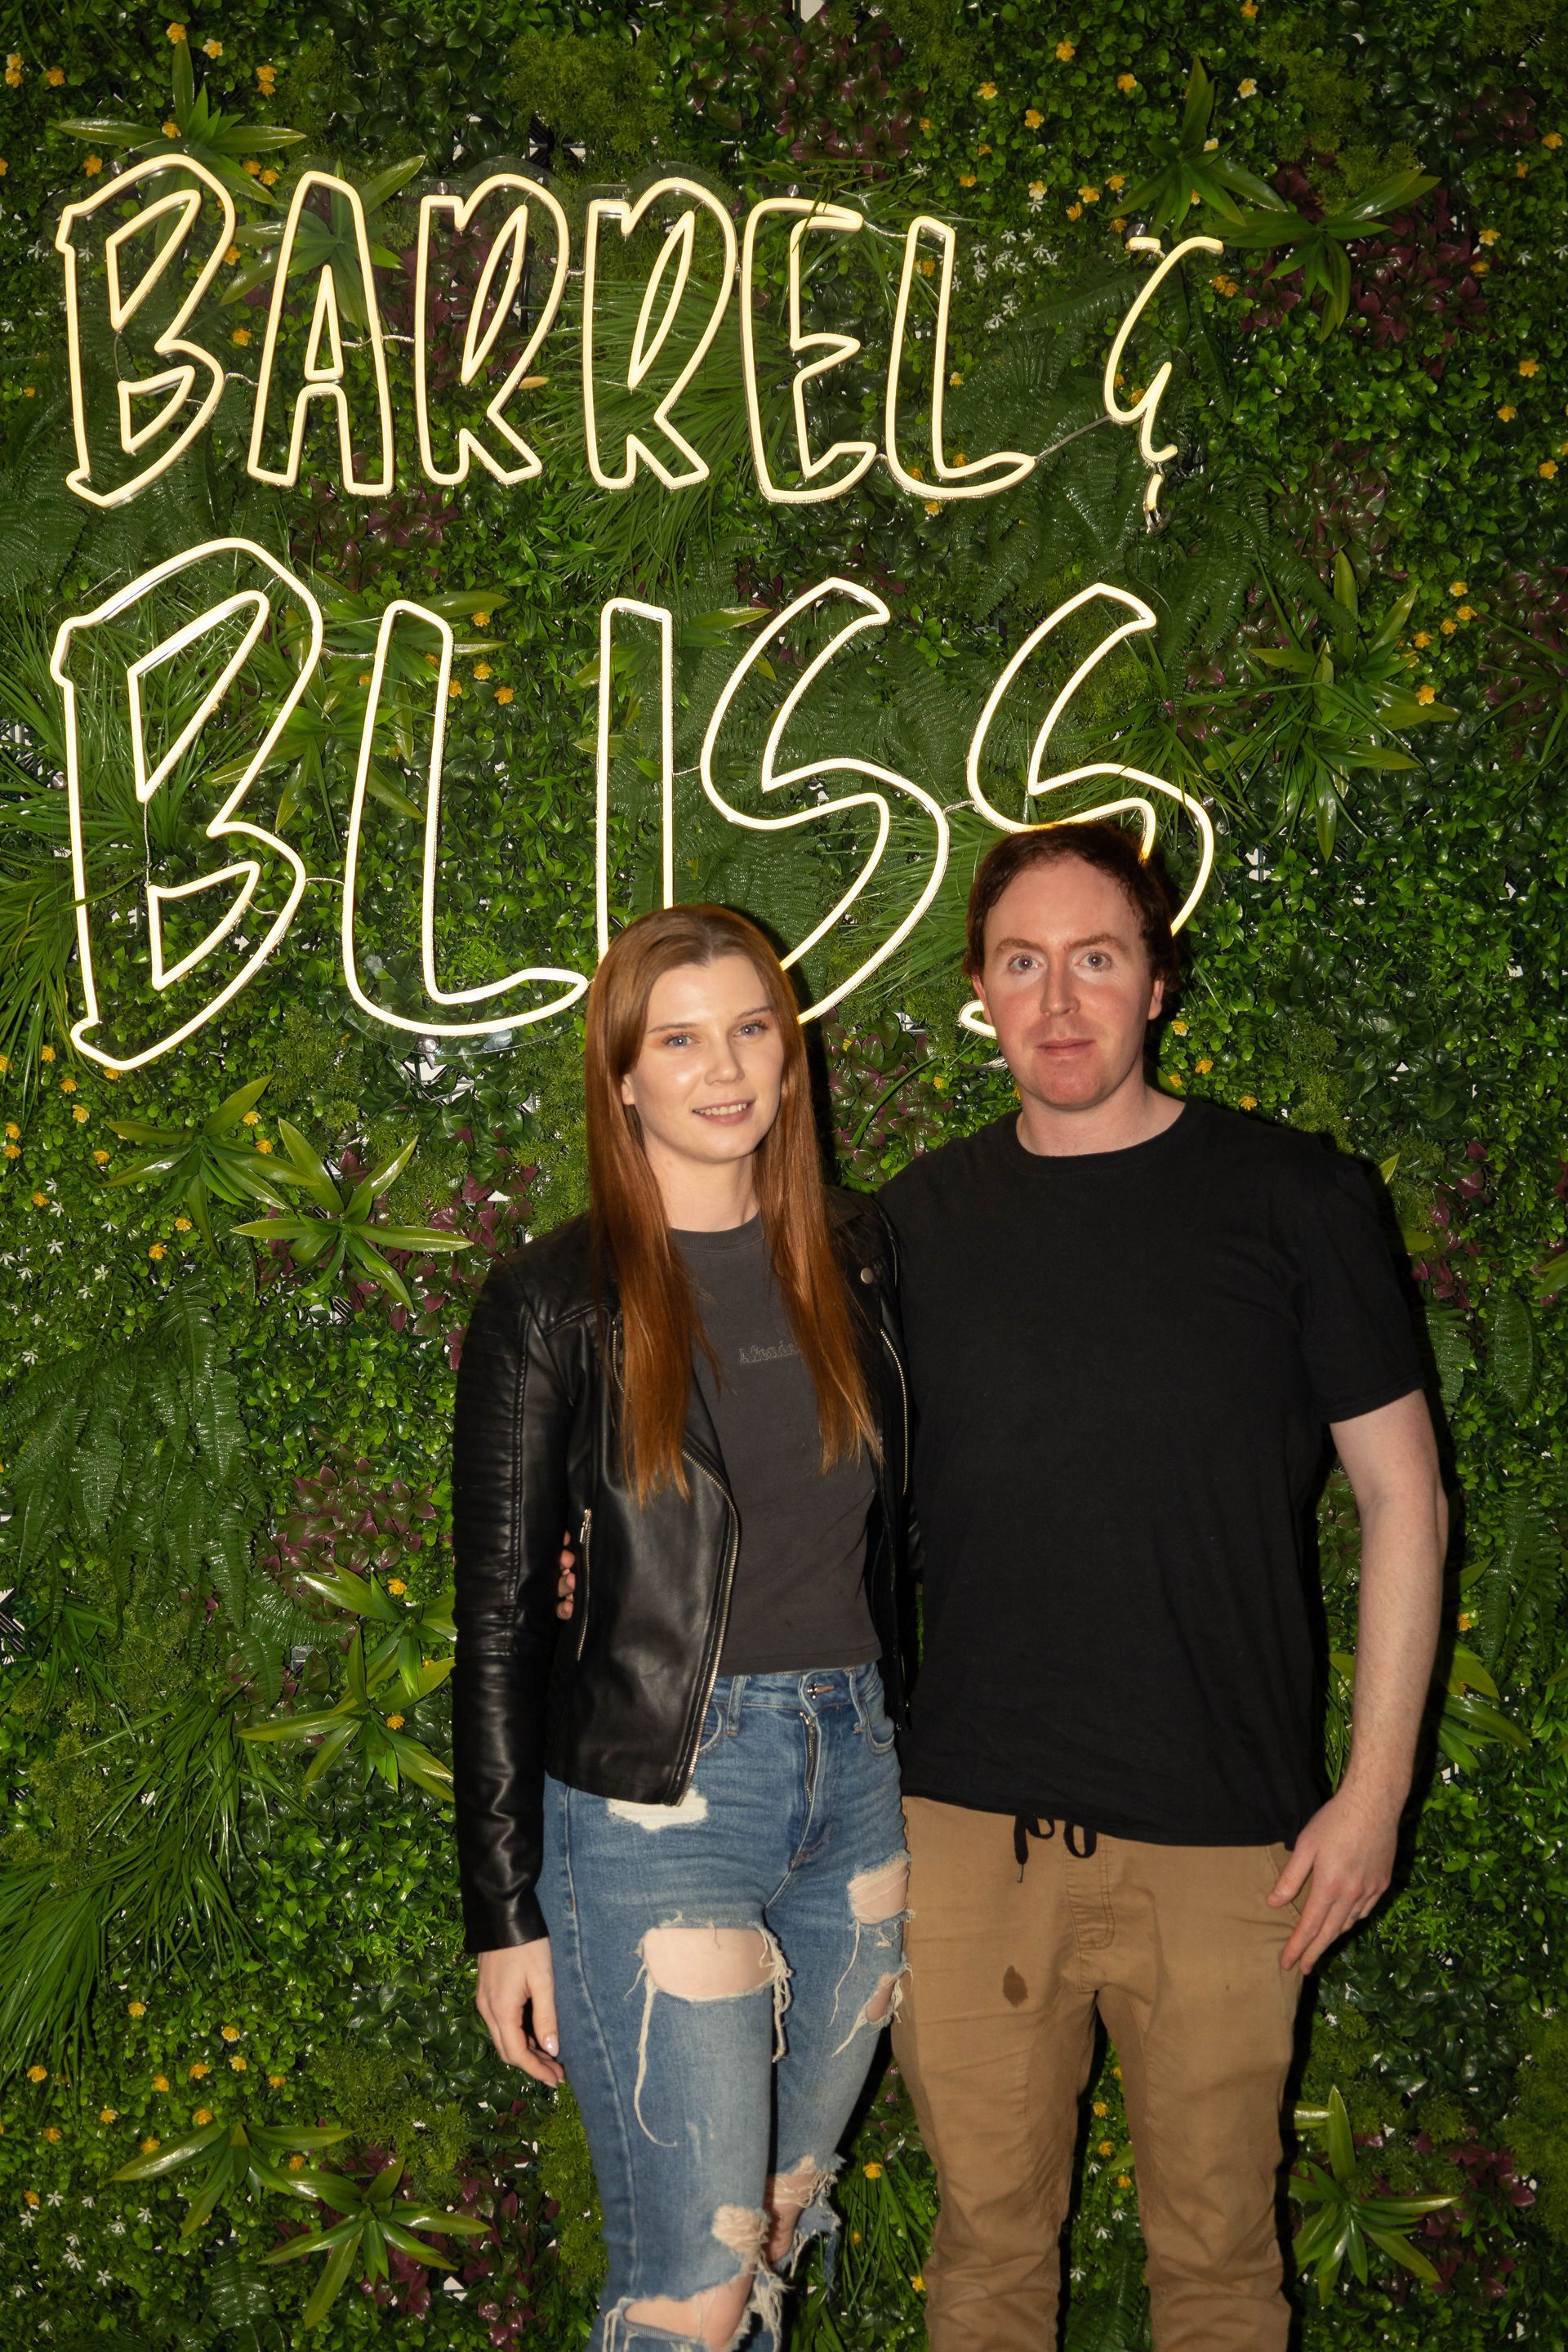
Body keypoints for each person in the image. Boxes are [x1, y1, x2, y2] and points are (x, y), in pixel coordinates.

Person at [879, 821, 1447, 2352]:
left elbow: (1407, 1499)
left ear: (1155, 982)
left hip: (1228, 1848)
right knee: (985, 2265)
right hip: (965, 1836)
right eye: (1022, 963)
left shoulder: (1297, 1200)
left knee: (1217, 2270)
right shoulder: (910, 1230)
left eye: (1096, 958)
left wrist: (1374, 1792)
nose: (1059, 1000)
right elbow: (808, 1487)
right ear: (982, 997)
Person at [450, 902, 914, 2352]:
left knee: (772, 2223)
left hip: (862, 1790)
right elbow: (503, 1619)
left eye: (754, 1028)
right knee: (691, 2284)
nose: (728, 1069)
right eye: (682, 1039)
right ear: (623, 1077)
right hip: (663, 1806)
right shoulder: (551, 1301)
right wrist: (505, 1908)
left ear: (793, 1053)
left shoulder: (855, 1256)